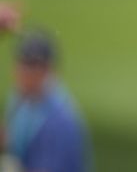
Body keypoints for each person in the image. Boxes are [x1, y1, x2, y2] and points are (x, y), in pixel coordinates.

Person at [4, 30, 89, 172]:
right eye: (20, 63)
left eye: (29, 66)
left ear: (47, 70)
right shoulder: (19, 99)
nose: (20, 73)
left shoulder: (60, 121)